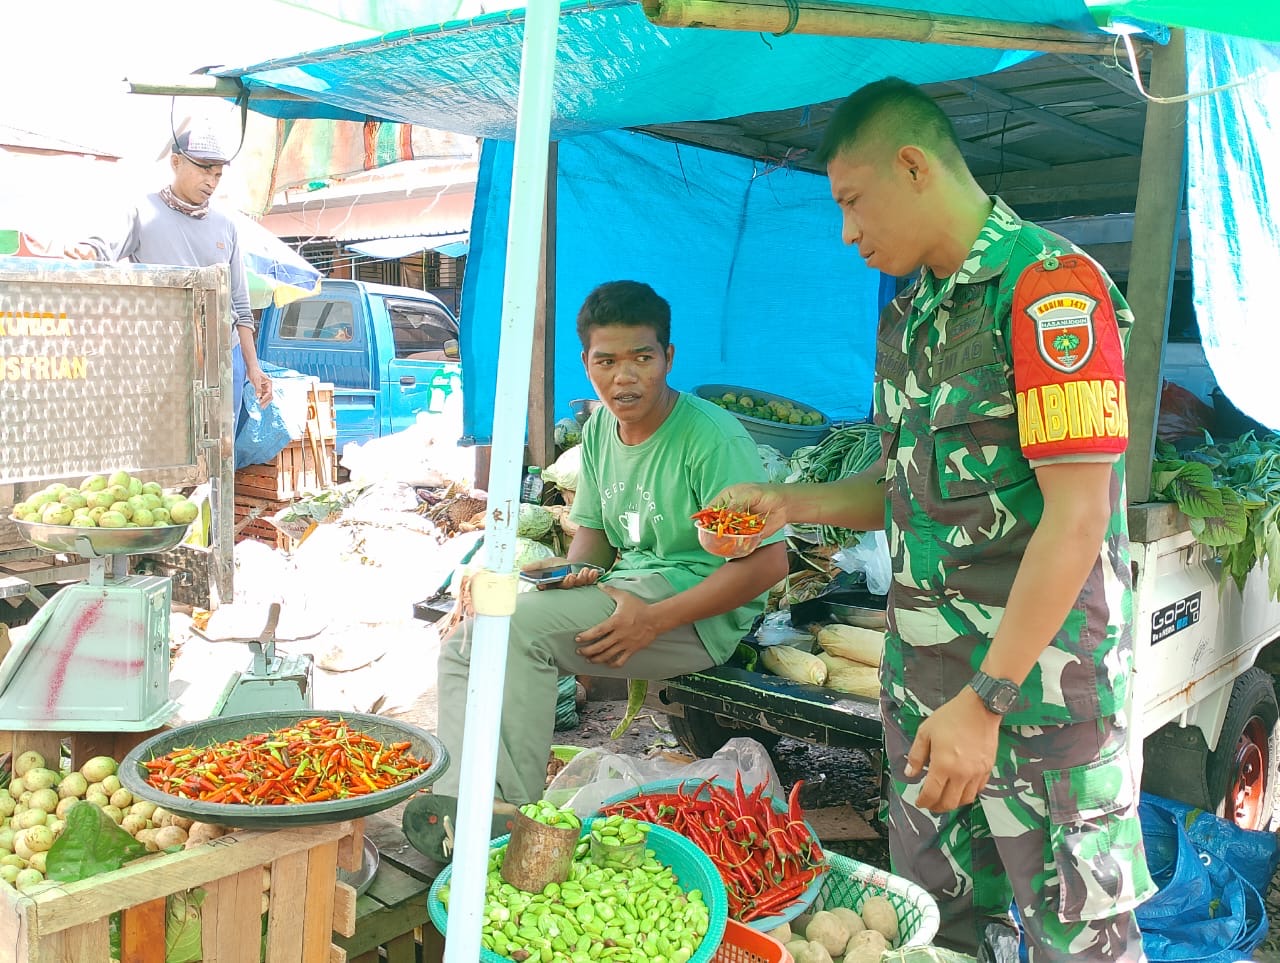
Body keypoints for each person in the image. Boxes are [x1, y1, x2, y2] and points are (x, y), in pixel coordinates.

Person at [712, 79, 1153, 962]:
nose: (846, 230)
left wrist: (985, 702)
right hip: (925, 700)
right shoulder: (910, 319)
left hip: (1035, 707)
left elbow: (1078, 515)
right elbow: (897, 485)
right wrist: (788, 504)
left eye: (850, 200)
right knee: (938, 933)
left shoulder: (1048, 290)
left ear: (912, 166)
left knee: (1083, 944)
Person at [404, 280, 788, 860]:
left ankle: (505, 822)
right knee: (465, 642)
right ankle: (462, 801)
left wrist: (655, 620)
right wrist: (537, 579)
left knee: (517, 635)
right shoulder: (598, 433)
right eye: (607, 361)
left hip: (694, 611)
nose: (624, 377)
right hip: (626, 592)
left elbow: (768, 564)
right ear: (586, 364)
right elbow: (593, 548)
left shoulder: (711, 439)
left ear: (668, 359)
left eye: (642, 358)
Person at [85, 127, 273, 418]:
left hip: (223, 355)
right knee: (166, 449)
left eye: (218, 175)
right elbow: (100, 248)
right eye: (204, 170)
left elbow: (240, 306)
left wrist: (253, 366)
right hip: (163, 356)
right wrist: (86, 252)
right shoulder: (142, 211)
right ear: (176, 163)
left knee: (220, 455)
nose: (211, 182)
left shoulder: (226, 226)